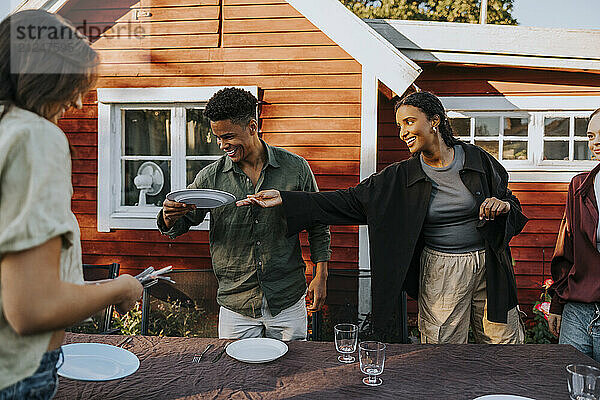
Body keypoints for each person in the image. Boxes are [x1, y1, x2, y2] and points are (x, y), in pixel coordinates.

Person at [238, 91, 528, 344]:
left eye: (409, 122)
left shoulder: (478, 160)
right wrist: (287, 199)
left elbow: (511, 204)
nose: (403, 132)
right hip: (442, 267)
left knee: (503, 343)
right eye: (400, 125)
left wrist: (501, 205)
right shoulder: (400, 178)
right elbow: (347, 200)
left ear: (435, 121)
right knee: (442, 348)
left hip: (491, 264)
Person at [0, 10, 142, 399]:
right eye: (72, 83)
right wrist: (120, 288)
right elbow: (32, 309)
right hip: (18, 372)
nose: (78, 101)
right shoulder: (33, 136)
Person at [157, 87, 331, 341]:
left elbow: (318, 223)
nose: (221, 145)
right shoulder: (210, 177)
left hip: (287, 299)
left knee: (293, 373)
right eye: (217, 137)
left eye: (228, 136)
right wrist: (169, 216)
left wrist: (321, 275)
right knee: (236, 377)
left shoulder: (295, 168)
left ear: (252, 126)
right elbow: (182, 221)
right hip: (235, 304)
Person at [548, 108, 600, 361]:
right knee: (570, 386)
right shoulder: (579, 186)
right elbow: (566, 248)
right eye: (591, 136)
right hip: (578, 312)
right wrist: (557, 304)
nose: (596, 142)